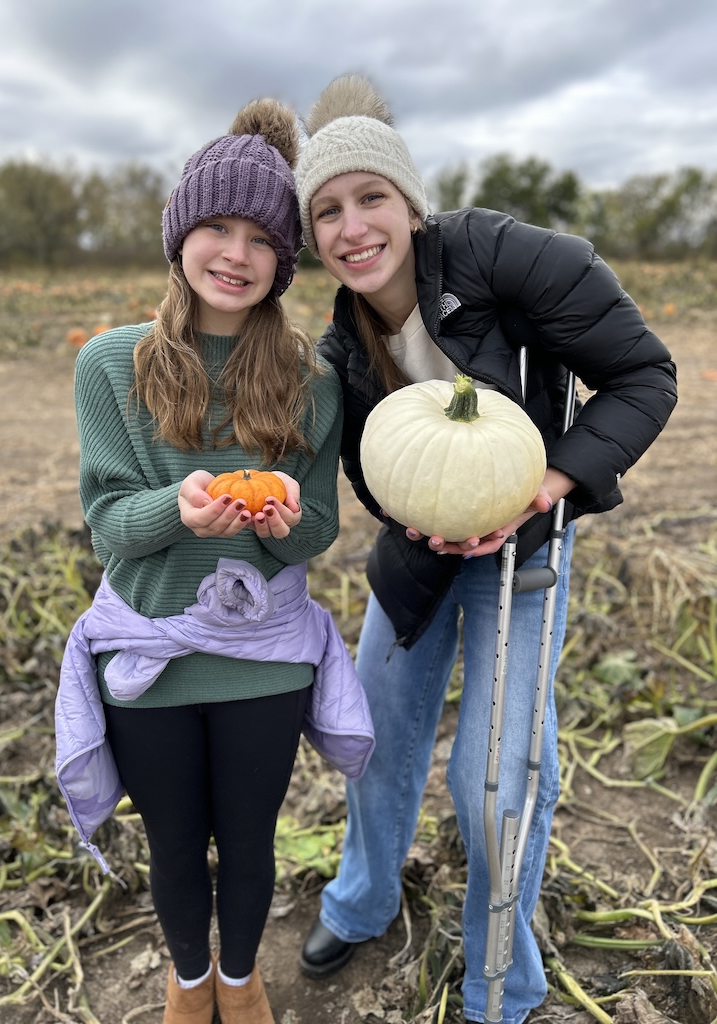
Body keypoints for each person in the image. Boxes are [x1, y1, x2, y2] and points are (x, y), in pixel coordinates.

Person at [292, 74, 677, 1024]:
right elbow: (369, 470)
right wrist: (405, 515)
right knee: (373, 740)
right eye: (327, 212)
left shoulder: (504, 255)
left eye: (370, 198)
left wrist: (547, 484)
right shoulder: (342, 344)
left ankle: (501, 988)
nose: (353, 228)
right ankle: (364, 900)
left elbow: (643, 376)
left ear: (410, 203)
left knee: (497, 780)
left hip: (524, 549)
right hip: (421, 558)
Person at [58, 100, 347, 1024]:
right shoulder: (111, 365)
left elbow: (317, 534)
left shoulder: (313, 380)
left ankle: (241, 978)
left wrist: (278, 522)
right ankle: (188, 985)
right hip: (149, 655)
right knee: (177, 843)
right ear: (182, 233)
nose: (237, 252)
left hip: (263, 655)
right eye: (217, 226)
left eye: (263, 237)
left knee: (251, 841)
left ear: (284, 261)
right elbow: (109, 523)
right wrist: (173, 510)